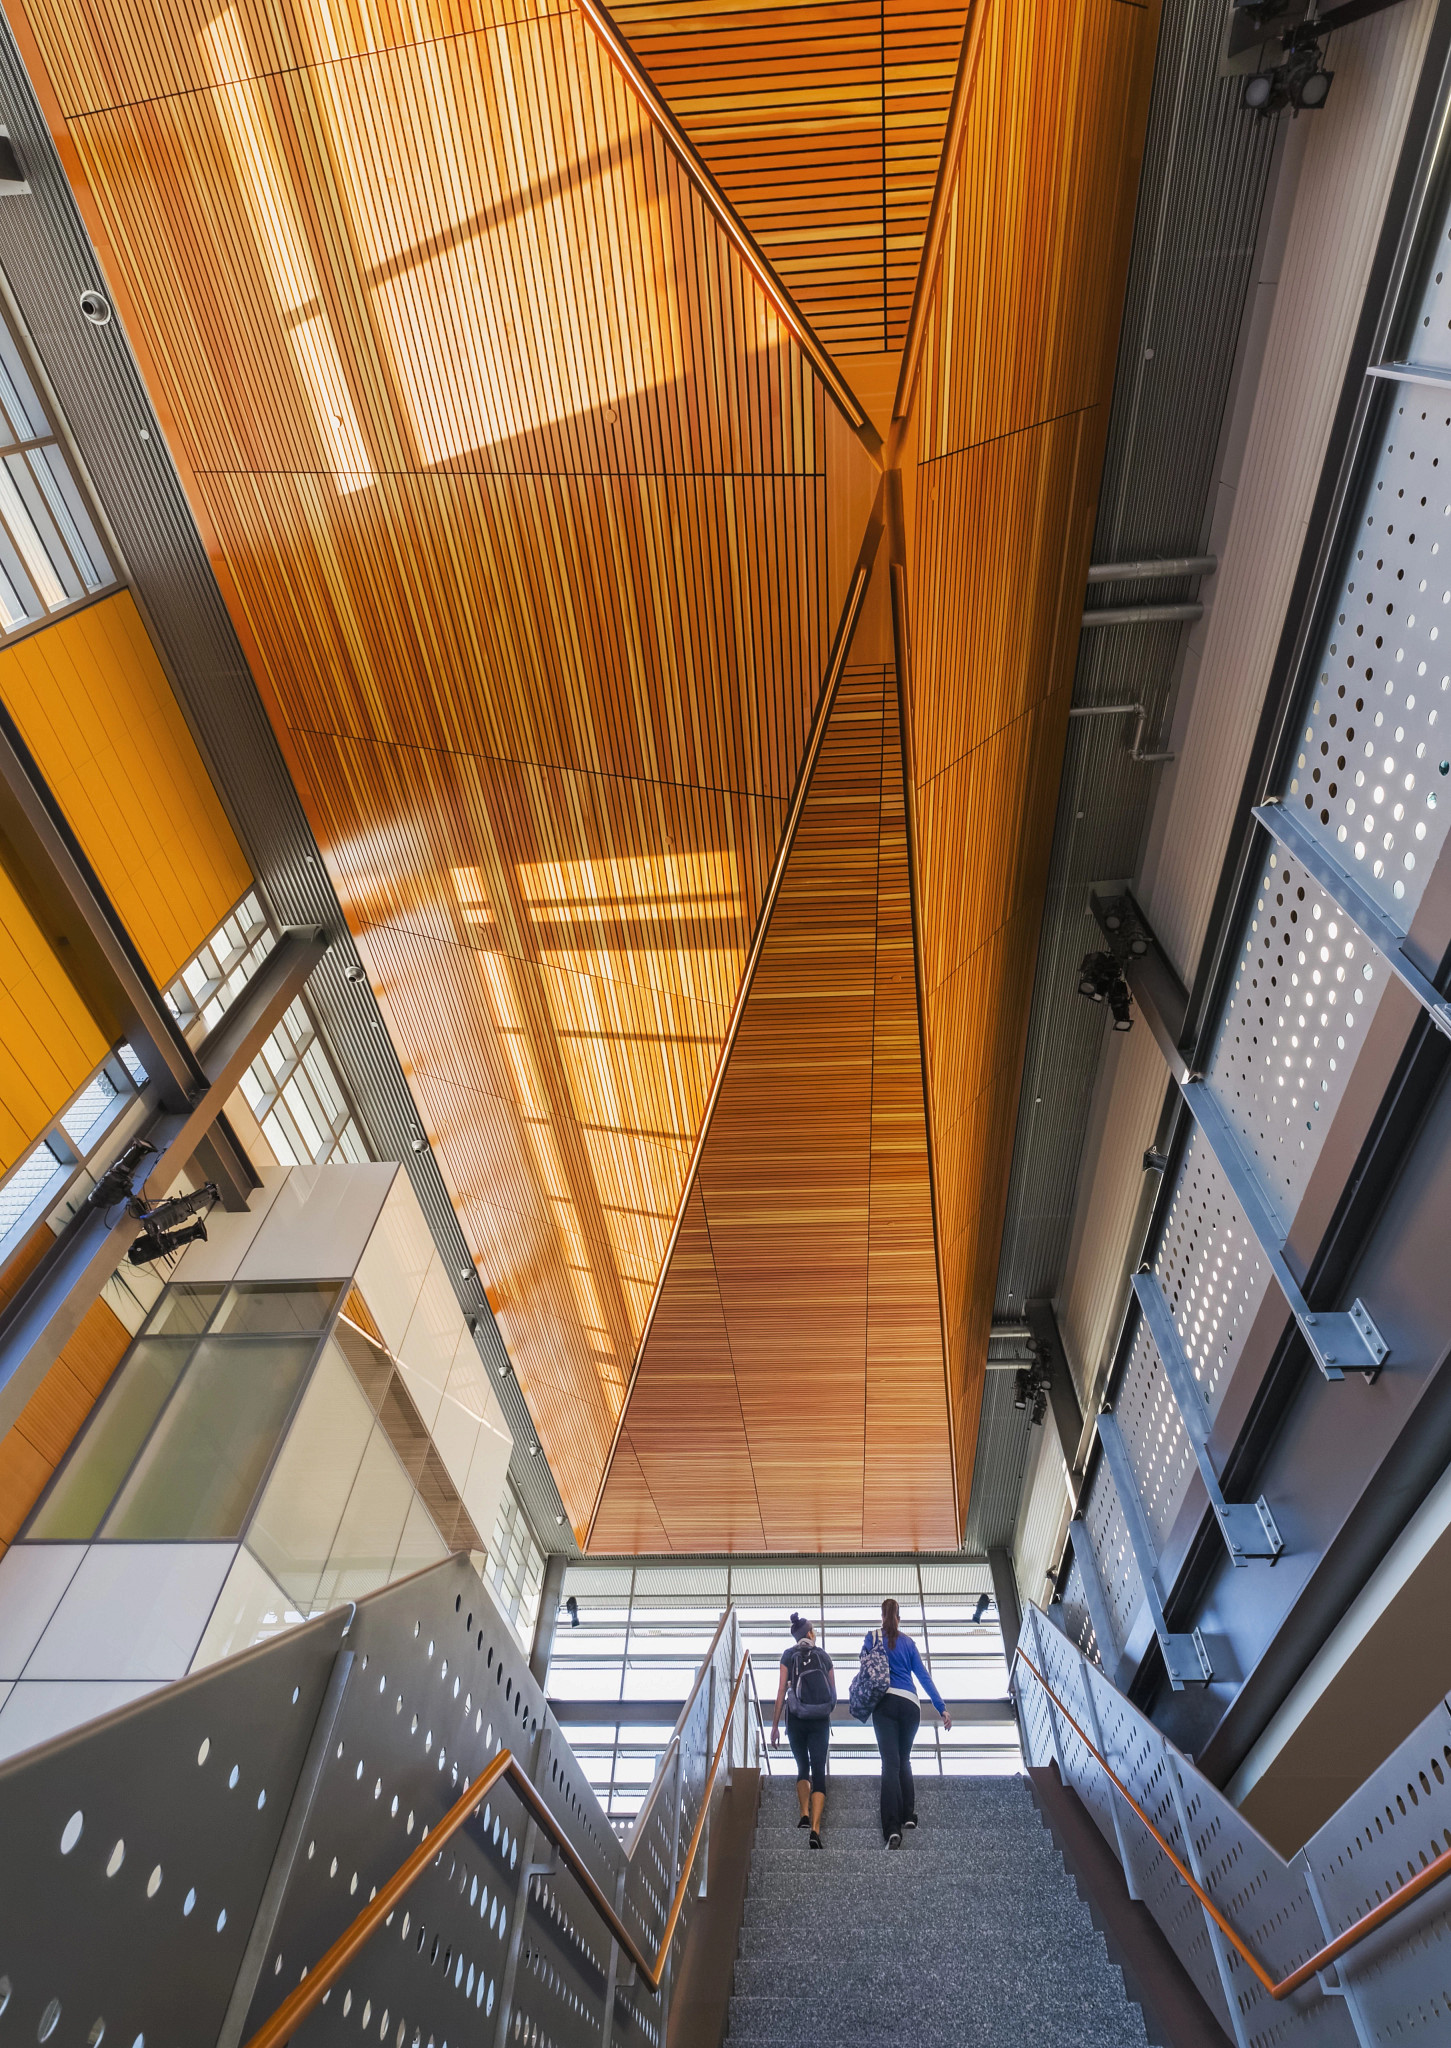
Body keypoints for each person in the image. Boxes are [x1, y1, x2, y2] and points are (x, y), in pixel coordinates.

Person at [864, 1597, 951, 1849]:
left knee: (890, 1763)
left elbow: (865, 1670)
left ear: (882, 1616)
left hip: (886, 1702)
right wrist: (941, 1707)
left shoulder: (872, 1637)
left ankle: (892, 1828)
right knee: (904, 1760)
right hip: (911, 1706)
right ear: (899, 1617)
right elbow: (923, 1676)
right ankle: (908, 1815)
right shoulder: (909, 1643)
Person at [769, 1611, 835, 1848]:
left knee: (802, 1766)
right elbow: (833, 1694)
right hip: (819, 1719)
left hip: (796, 1717)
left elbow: (780, 1691)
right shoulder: (823, 1656)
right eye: (813, 1629)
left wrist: (775, 1725)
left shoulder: (788, 1655)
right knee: (818, 1769)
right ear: (808, 1633)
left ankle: (804, 1815)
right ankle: (816, 1830)